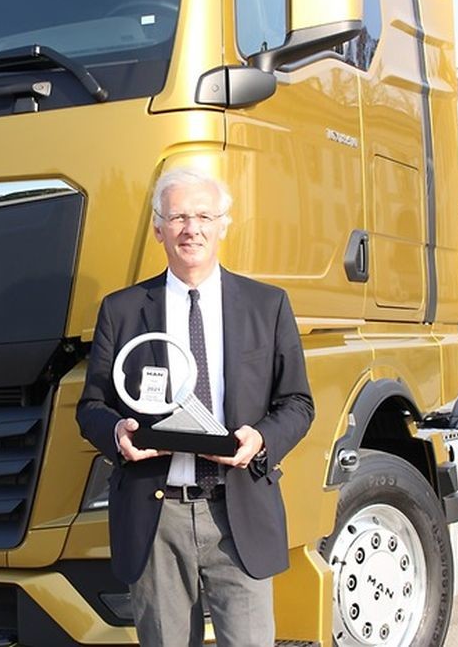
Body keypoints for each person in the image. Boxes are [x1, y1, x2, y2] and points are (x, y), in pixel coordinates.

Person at [76, 167, 314, 646]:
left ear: (224, 224)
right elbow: (91, 407)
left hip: (237, 510)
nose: (192, 229)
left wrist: (261, 439)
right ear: (158, 229)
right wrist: (117, 435)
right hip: (155, 518)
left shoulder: (266, 305)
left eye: (204, 216)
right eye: (179, 217)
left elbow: (298, 403)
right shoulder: (122, 310)